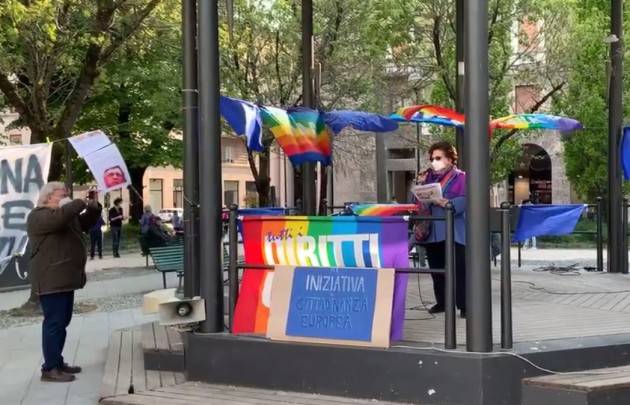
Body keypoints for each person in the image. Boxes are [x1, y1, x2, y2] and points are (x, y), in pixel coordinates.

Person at [27, 182, 102, 382]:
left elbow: (84, 223)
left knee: (62, 322)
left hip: (64, 279)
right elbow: (59, 220)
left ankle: (57, 362)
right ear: (48, 196)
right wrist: (77, 202)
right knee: (54, 323)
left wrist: (93, 207)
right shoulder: (38, 215)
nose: (66, 196)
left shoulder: (64, 215)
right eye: (63, 193)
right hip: (50, 279)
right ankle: (49, 368)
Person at [417, 141, 467, 317]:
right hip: (433, 232)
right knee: (436, 270)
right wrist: (420, 185)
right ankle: (443, 302)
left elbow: (464, 201)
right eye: (432, 158)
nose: (434, 162)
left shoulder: (461, 177)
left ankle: (464, 305)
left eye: (438, 158)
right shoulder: (427, 178)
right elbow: (416, 201)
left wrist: (446, 203)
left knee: (459, 270)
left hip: (454, 231)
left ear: (450, 159)